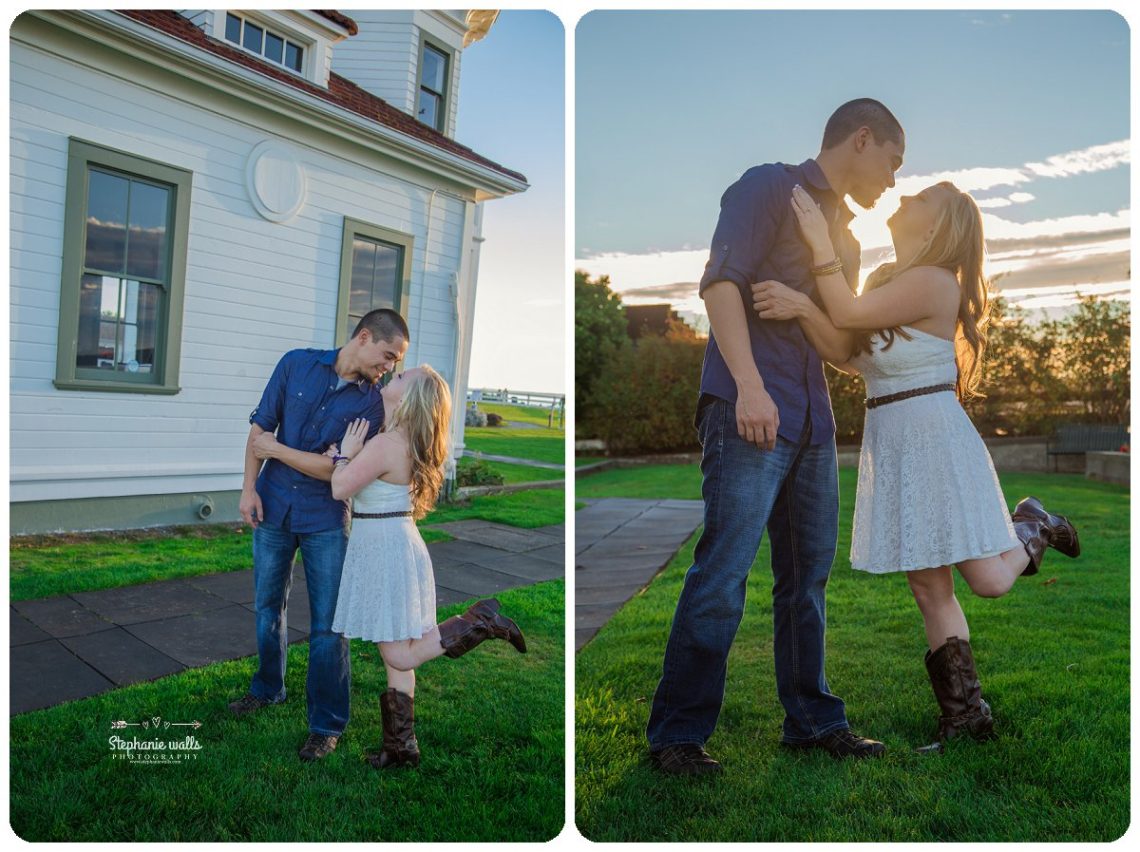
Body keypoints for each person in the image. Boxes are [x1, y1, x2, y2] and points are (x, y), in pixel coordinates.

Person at [751, 180, 1080, 752]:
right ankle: (966, 717)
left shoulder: (934, 283)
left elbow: (845, 308)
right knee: (928, 584)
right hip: (893, 438)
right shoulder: (887, 282)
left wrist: (815, 242)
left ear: (937, 226)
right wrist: (805, 306)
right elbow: (845, 354)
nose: (903, 198)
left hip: (935, 438)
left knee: (987, 583)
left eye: (919, 199)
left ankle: (1034, 526)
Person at [646, 99, 905, 775]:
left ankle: (813, 722)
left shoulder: (840, 236)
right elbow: (721, 285)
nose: (894, 180)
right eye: (892, 162)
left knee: (807, 581)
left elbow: (842, 346)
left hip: (814, 421)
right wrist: (751, 386)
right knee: (724, 573)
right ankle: (677, 735)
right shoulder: (767, 186)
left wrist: (803, 307)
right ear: (862, 138)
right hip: (749, 411)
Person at [228, 308, 410, 763]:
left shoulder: (371, 405)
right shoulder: (295, 364)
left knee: (330, 625)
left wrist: (277, 451)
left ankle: (326, 725)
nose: (389, 367)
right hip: (270, 505)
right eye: (387, 356)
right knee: (268, 606)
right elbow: (259, 431)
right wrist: (249, 487)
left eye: (395, 363)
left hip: (326, 518)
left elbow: (337, 470)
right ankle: (268, 689)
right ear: (364, 337)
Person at [328, 365, 527, 769]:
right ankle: (402, 748)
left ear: (409, 400)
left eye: (401, 378)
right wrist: (347, 459)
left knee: (400, 656)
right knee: (395, 656)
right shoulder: (403, 441)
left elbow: (339, 488)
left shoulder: (386, 444)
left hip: (385, 549)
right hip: (396, 543)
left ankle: (480, 623)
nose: (392, 377)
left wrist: (345, 456)